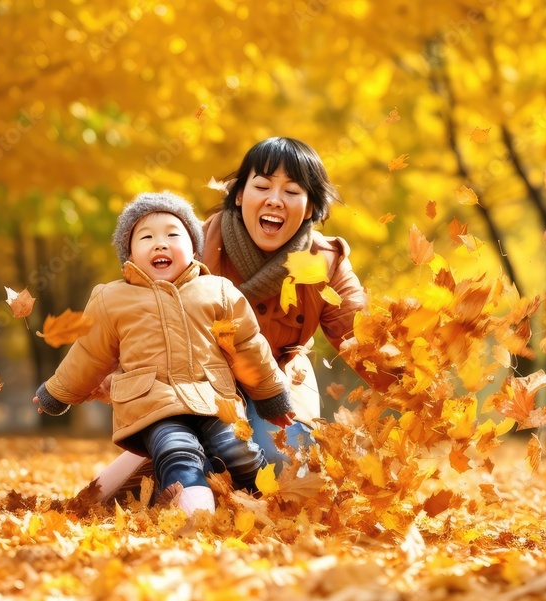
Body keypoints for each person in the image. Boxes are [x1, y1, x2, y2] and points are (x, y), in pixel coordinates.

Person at [92, 138, 367, 497]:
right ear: (239, 195)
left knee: (283, 465)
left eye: (292, 190)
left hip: (281, 380)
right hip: (199, 380)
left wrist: (408, 379)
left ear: (310, 205)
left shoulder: (326, 261)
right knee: (130, 487)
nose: (274, 199)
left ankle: (194, 473)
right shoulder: (194, 245)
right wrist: (110, 369)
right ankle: (180, 467)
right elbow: (141, 303)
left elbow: (360, 336)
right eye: (263, 185)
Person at [33, 192, 295, 515]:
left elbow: (247, 346)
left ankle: (269, 506)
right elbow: (89, 353)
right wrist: (56, 394)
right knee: (177, 453)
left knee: (237, 450)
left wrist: (272, 395)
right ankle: (194, 513)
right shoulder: (112, 298)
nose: (160, 244)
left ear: (193, 248)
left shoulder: (218, 291)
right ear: (128, 254)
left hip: (214, 398)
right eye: (146, 237)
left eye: (173, 234)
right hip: (152, 403)